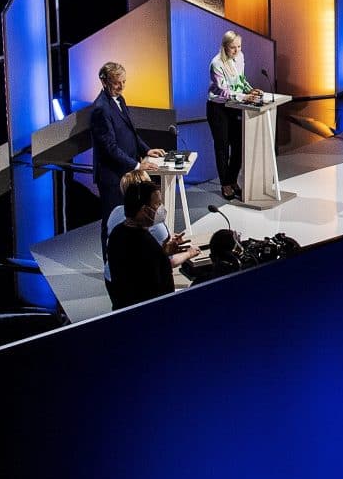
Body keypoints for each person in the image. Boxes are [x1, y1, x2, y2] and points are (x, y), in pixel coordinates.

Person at [90, 61, 164, 214]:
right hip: (112, 175)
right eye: (116, 83)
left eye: (123, 82)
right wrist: (137, 166)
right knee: (113, 219)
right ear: (104, 82)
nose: (121, 86)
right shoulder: (101, 109)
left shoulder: (120, 99)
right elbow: (110, 148)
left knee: (129, 217)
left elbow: (130, 132)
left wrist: (146, 150)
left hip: (125, 171)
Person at [101, 169, 194, 287]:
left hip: (112, 280)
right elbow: (165, 262)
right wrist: (189, 253)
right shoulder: (152, 231)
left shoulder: (115, 216)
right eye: (157, 203)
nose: (160, 207)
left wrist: (164, 248)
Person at [105, 173, 177, 310]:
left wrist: (163, 253)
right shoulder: (146, 244)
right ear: (144, 210)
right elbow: (154, 286)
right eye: (157, 204)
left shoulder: (117, 233)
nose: (161, 208)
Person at [207, 31, 262, 200]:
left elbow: (241, 79)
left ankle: (232, 180)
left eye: (239, 46)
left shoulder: (240, 57)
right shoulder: (216, 63)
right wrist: (243, 97)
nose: (237, 50)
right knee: (222, 147)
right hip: (218, 108)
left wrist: (249, 90)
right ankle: (225, 184)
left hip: (235, 106)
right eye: (233, 47)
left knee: (238, 145)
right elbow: (223, 90)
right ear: (225, 47)